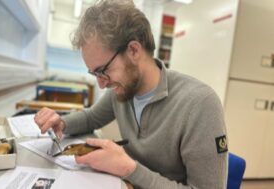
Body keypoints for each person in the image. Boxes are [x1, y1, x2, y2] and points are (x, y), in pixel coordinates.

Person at [34, 0, 228, 188]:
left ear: (134, 50)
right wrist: (62, 123)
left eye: (103, 71)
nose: (101, 85)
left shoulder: (200, 104)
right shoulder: (123, 89)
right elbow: (91, 117)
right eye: (94, 74)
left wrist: (129, 168)